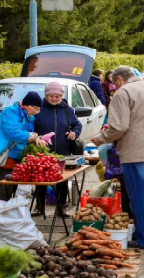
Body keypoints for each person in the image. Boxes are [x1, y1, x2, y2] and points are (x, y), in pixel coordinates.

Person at [91, 66, 144, 250]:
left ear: (119, 79)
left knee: (139, 196)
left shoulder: (123, 93)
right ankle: (142, 232)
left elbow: (119, 127)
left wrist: (100, 139)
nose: (114, 86)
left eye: (114, 82)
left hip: (136, 152)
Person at [0, 92, 46, 201]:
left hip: (17, 157)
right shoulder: (10, 112)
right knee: (4, 190)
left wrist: (35, 140)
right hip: (4, 156)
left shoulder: (29, 118)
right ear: (26, 105)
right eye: (35, 108)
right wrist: (31, 136)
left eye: (38, 109)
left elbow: (26, 136)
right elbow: (12, 132)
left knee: (12, 190)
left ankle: (7, 214)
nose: (36, 111)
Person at [32, 82, 83, 218]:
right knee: (41, 179)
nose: (54, 98)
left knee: (62, 180)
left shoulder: (68, 110)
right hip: (42, 151)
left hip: (63, 150)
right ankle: (39, 206)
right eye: (51, 96)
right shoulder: (38, 109)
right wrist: (35, 137)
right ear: (46, 95)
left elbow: (77, 125)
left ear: (62, 96)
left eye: (57, 96)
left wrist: (74, 134)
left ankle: (62, 207)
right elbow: (30, 127)